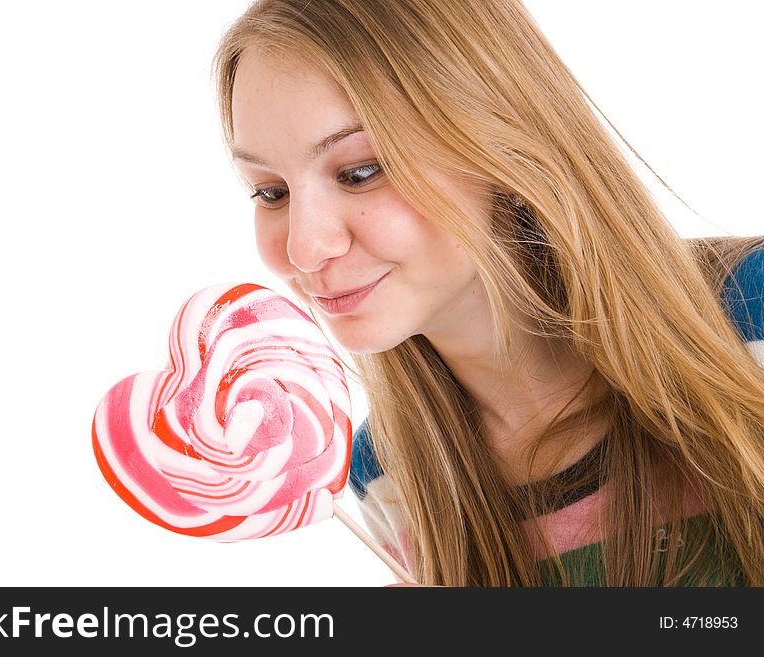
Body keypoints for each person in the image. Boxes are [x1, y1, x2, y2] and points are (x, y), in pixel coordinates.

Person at [210, 0, 764, 586]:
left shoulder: (752, 316)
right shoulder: (385, 473)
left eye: (360, 171)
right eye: (271, 192)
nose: (304, 248)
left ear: (497, 145)